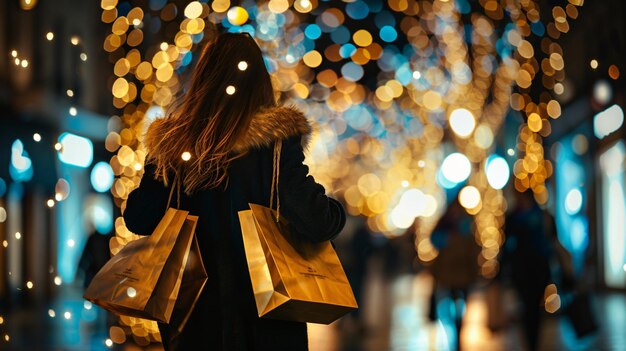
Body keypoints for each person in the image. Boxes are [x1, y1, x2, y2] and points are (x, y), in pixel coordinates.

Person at [123, 33, 346, 351]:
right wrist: (338, 211)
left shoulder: (172, 145)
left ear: (203, 79)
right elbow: (317, 221)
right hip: (266, 322)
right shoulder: (274, 144)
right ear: (259, 81)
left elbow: (139, 218)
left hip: (194, 325)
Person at [501, 190, 553, 351]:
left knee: (532, 307)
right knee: (529, 307)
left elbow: (551, 241)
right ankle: (531, 342)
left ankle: (533, 342)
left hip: (536, 270)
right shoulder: (516, 218)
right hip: (524, 271)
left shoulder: (540, 217)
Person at [428, 197, 480, 351]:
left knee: (460, 306)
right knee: (449, 305)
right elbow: (434, 241)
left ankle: (458, 331)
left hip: (463, 273)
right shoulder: (444, 225)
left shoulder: (466, 224)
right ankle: (455, 334)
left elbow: (472, 249)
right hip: (448, 274)